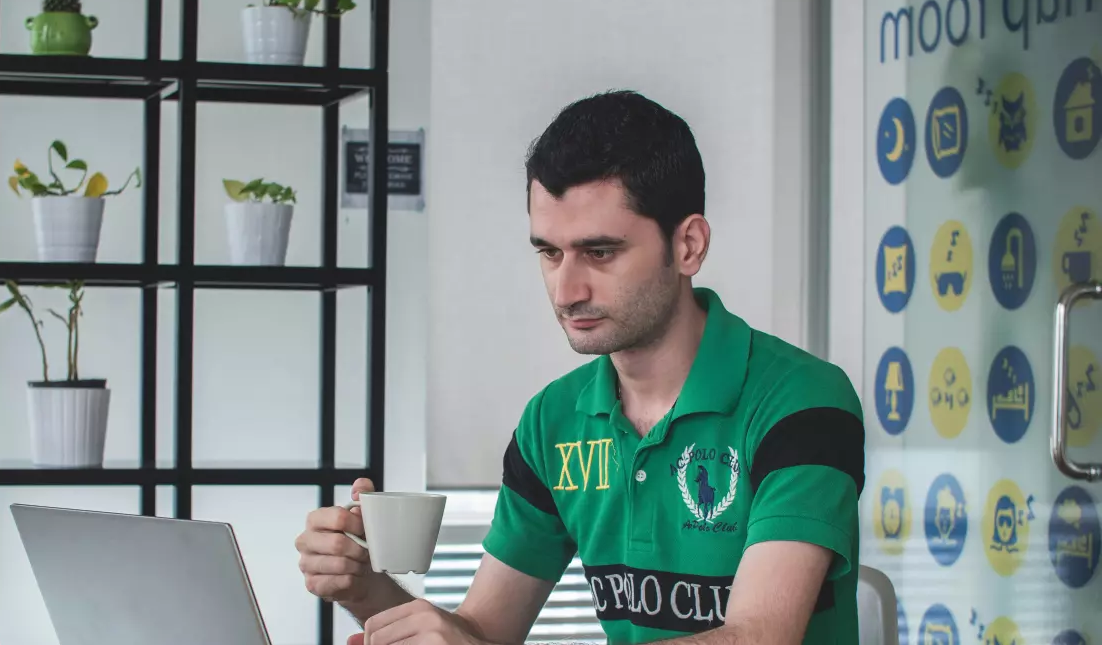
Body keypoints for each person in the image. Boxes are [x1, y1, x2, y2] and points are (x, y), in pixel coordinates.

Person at [295, 90, 866, 645]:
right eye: (549, 252)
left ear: (688, 245)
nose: (566, 290)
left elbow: (760, 637)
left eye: (600, 252)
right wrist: (364, 586)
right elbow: (483, 635)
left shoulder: (804, 403)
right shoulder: (553, 421)